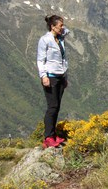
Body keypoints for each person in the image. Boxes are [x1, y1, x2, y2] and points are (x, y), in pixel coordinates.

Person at [37, 15, 69, 148]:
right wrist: (43, 76)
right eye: (60, 25)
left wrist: (65, 77)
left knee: (57, 107)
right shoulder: (45, 40)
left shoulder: (60, 39)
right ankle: (48, 137)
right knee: (52, 107)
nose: (63, 28)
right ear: (52, 26)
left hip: (60, 76)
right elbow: (40, 59)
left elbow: (63, 59)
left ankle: (53, 135)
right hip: (50, 76)